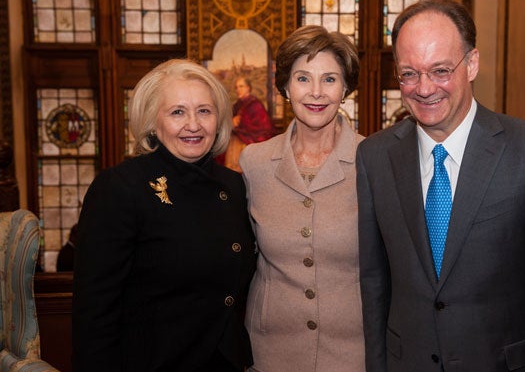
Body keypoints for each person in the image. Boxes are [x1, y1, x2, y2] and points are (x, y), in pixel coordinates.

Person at [356, 0, 525, 372]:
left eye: (440, 70)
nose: (424, 88)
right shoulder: (374, 156)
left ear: (472, 64)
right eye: (409, 74)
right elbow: (374, 285)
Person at [72, 59, 257, 372]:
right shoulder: (120, 188)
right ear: (152, 123)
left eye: (204, 111)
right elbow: (94, 314)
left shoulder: (234, 186)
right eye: (177, 112)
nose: (194, 124)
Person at [239, 25, 365, 371]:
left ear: (345, 88)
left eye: (329, 79)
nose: (316, 92)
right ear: (284, 86)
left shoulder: (373, 160)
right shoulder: (255, 162)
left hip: (353, 351)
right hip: (270, 350)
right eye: (302, 78)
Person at [223, 76, 275, 172]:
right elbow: (229, 121)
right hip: (235, 144)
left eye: (241, 86)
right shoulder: (237, 105)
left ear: (248, 88)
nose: (238, 89)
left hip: (250, 146)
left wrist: (239, 124)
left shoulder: (255, 105)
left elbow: (264, 129)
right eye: (237, 87)